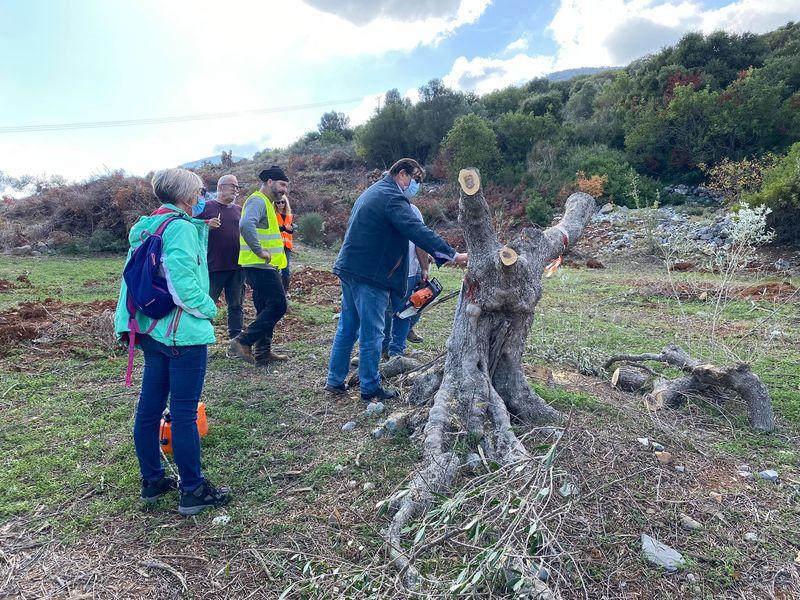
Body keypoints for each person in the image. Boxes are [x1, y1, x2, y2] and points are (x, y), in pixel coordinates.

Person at [114, 167, 230, 515]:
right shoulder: (179, 227)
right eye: (198, 191)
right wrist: (210, 308)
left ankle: (152, 480)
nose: (201, 197)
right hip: (181, 334)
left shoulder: (148, 226)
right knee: (182, 412)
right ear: (185, 196)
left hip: (150, 331)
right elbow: (182, 284)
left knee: (149, 410)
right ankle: (193, 490)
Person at [325, 158, 467, 402]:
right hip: (370, 274)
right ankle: (370, 387)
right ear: (402, 174)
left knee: (348, 326)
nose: (415, 186)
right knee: (373, 332)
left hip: (351, 269)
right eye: (415, 179)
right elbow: (416, 229)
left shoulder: (372, 192)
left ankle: (335, 380)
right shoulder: (392, 197)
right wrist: (451, 254)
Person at [228, 165, 289, 366]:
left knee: (264, 306)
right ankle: (243, 341)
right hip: (259, 264)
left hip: (262, 265)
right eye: (281, 185)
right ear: (269, 182)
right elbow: (246, 224)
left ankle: (263, 352)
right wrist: (259, 251)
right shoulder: (257, 200)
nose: (284, 190)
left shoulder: (266, 203)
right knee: (278, 305)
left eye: (286, 186)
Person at [195, 174, 244, 339]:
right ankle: (202, 339)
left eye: (237, 187)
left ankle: (236, 341)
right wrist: (205, 225)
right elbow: (190, 229)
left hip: (237, 267)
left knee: (236, 306)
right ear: (220, 187)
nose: (236, 190)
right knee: (207, 305)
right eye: (232, 186)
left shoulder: (239, 210)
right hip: (213, 267)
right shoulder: (204, 208)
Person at [382, 201, 428, 358]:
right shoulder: (410, 210)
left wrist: (424, 268)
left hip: (402, 271)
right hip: (387, 271)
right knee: (401, 311)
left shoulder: (412, 210)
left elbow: (419, 242)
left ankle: (391, 349)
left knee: (399, 310)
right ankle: (392, 349)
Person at [275, 194, 294, 290]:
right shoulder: (273, 214)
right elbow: (273, 229)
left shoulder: (289, 215)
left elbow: (290, 230)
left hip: (287, 246)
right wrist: (284, 228)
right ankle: (277, 288)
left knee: (286, 269)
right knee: (276, 268)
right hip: (276, 246)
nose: (280, 204)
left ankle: (285, 289)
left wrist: (291, 229)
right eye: (278, 202)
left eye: (283, 202)